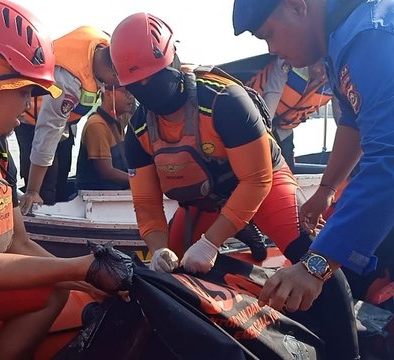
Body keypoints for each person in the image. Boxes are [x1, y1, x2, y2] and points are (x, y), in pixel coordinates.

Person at [110, 13, 358, 358]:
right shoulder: (138, 132)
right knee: (172, 275)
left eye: (151, 81)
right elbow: (147, 206)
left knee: (314, 258)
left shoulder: (224, 101)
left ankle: (348, 353)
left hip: (264, 186)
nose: (144, 92)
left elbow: (256, 180)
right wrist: (157, 248)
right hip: (203, 203)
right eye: (135, 87)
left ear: (171, 65)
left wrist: (211, 242)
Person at [0, 1, 132, 359]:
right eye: (24, 91)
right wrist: (81, 265)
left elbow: (19, 241)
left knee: (52, 289)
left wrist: (87, 280)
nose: (30, 104)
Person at [232, 0, 394, 318]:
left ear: (297, 7)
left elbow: (389, 161)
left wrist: (315, 265)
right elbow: (352, 122)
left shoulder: (371, 38)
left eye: (270, 34)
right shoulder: (340, 41)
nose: (274, 49)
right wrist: (326, 189)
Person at [19, 26, 119, 214]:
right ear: (114, 72)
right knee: (44, 190)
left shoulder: (102, 41)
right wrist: (33, 190)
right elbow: (46, 136)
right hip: (32, 121)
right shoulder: (67, 81)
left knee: (61, 176)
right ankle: (34, 214)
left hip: (65, 123)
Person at [247, 56, 334, 170]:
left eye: (327, 67)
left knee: (287, 170)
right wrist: (261, 139)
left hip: (284, 131)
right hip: (256, 122)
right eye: (319, 64)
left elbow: (342, 118)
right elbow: (272, 95)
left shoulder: (337, 79)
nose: (321, 71)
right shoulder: (289, 60)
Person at [76, 85, 135, 191]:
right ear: (108, 93)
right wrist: (139, 180)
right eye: (127, 92)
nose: (131, 97)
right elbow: (106, 172)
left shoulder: (117, 122)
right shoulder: (97, 125)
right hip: (98, 197)